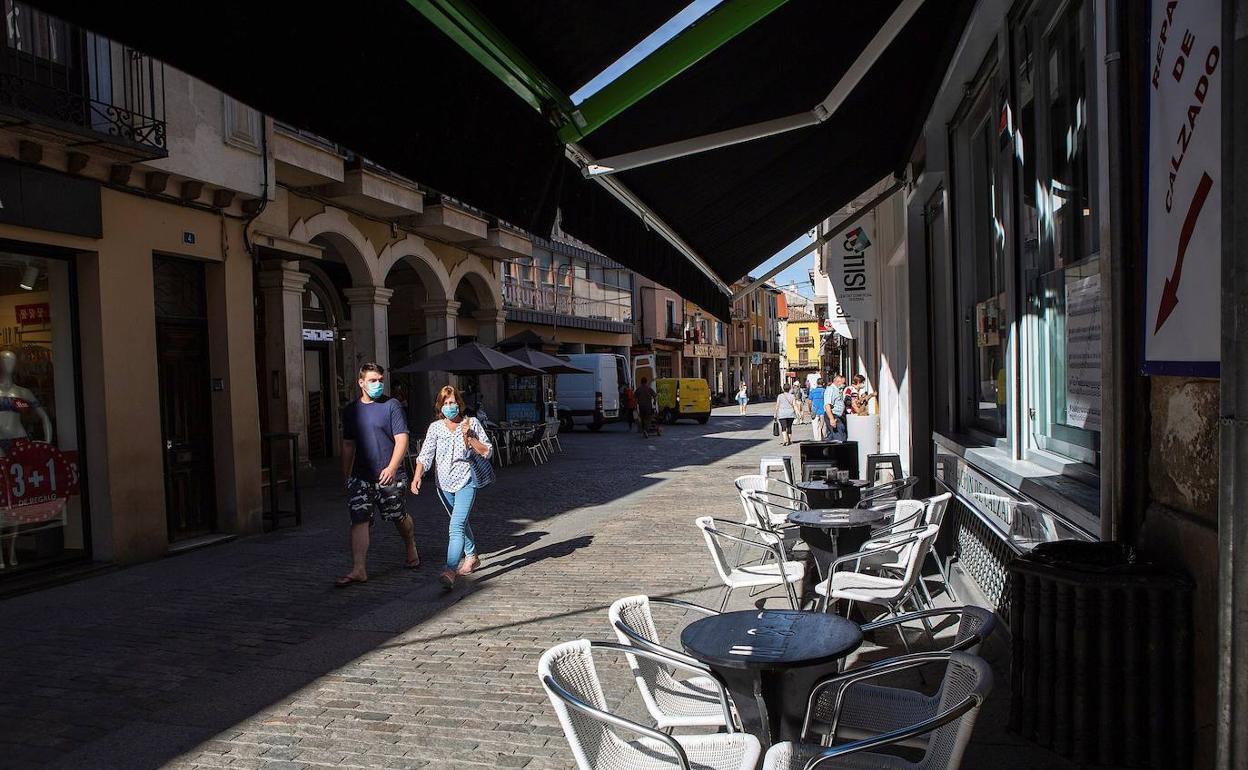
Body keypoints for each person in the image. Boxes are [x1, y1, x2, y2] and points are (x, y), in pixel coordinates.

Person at [336, 362, 418, 587]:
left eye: (380, 380)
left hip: (389, 474)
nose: (378, 384)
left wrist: (392, 468)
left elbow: (402, 439)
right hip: (361, 475)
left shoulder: (392, 405)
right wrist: (346, 475)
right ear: (361, 383)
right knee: (359, 519)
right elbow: (348, 444)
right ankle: (359, 568)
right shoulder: (351, 410)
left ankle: (410, 544)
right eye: (373, 380)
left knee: (397, 515)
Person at [411, 385, 494, 590]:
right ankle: (472, 555)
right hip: (444, 484)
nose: (450, 406)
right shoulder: (435, 428)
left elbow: (487, 451)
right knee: (460, 522)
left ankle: (449, 570)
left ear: (459, 403)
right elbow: (425, 455)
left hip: (466, 481)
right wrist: (417, 476)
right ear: (440, 406)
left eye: (453, 402)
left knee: (455, 526)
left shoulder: (471, 423)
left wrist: (470, 436)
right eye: (446, 403)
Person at [774, 382, 799, 446]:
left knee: (783, 427)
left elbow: (777, 406)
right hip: (791, 413)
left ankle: (785, 440)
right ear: (790, 389)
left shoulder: (780, 396)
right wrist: (798, 413)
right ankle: (789, 440)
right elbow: (794, 405)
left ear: (783, 389)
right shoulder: (792, 396)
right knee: (789, 427)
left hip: (782, 414)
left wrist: (775, 414)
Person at [828, 373, 848, 443]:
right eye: (843, 383)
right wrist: (831, 419)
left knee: (835, 436)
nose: (844, 384)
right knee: (839, 438)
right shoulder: (831, 389)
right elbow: (827, 405)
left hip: (838, 415)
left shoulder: (837, 390)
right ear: (837, 382)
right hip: (834, 415)